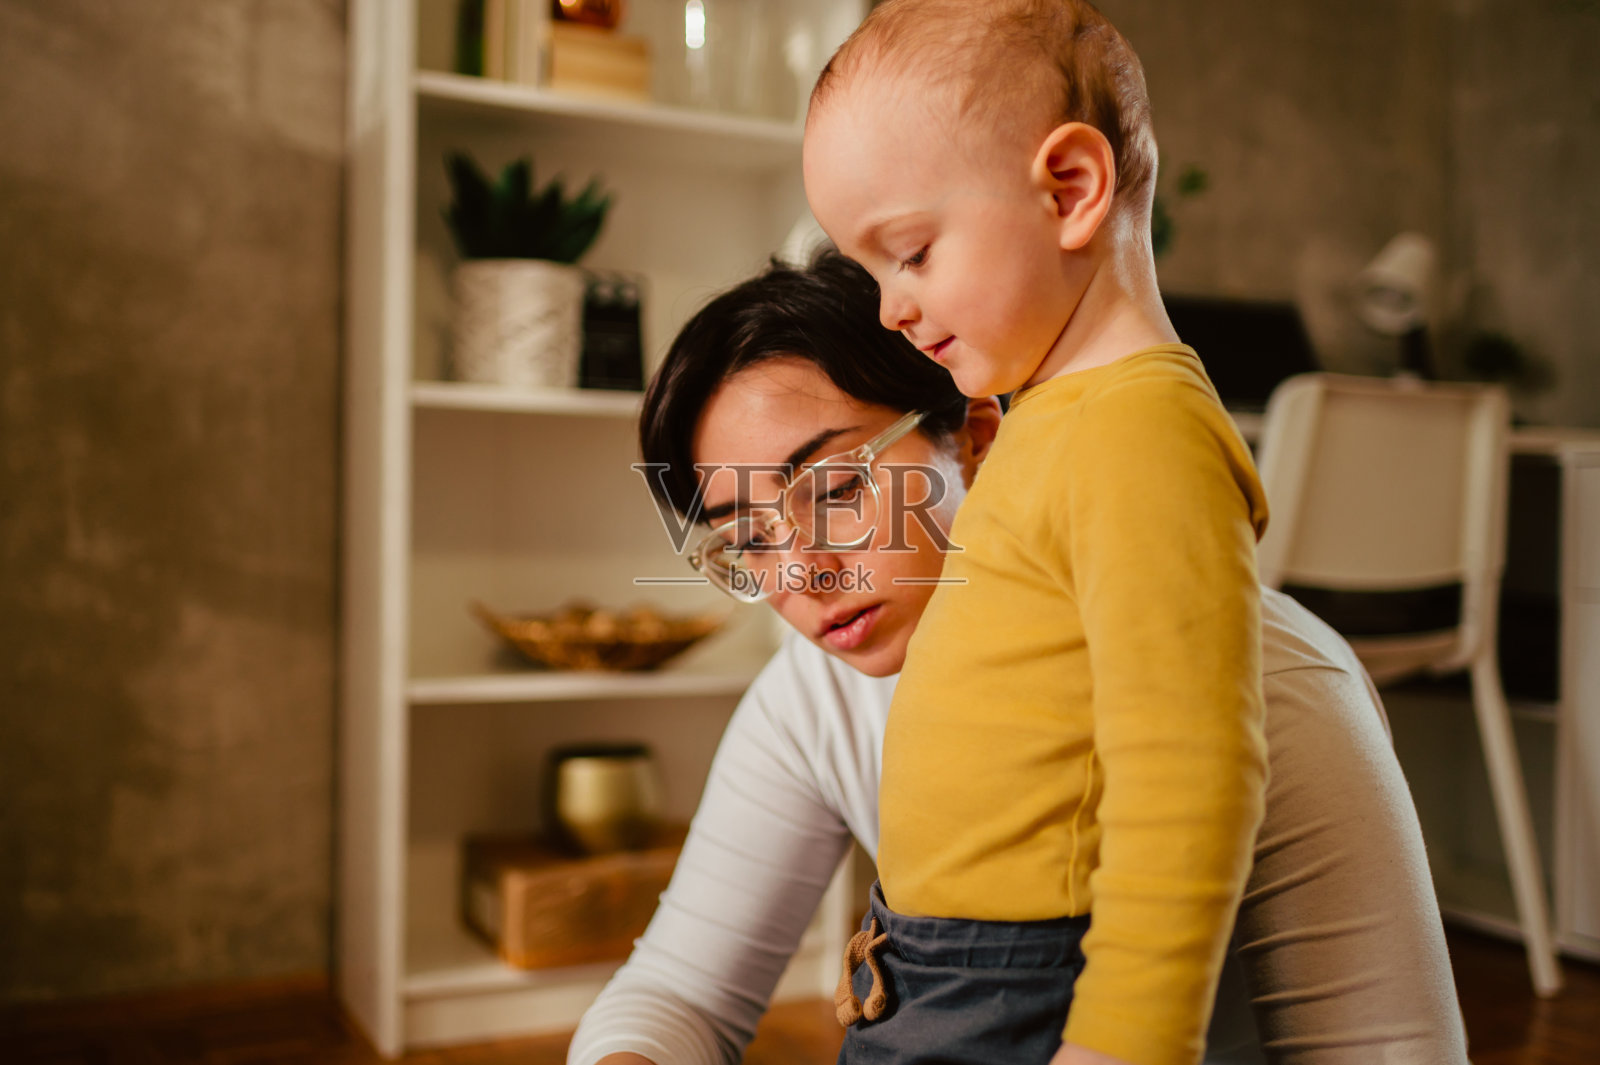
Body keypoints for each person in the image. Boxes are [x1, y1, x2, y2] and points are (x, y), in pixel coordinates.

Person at [566, 251, 1467, 1065]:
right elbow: (682, 992)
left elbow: (1390, 1047)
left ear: (977, 439)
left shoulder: (1277, 682)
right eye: (748, 543)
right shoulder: (814, 696)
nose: (802, 571)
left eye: (836, 488)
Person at [799, 3, 1294, 1062]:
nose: (891, 308)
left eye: (913, 253)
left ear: (1070, 190)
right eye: (872, 270)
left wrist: (1127, 1037)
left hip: (1024, 985)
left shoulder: (1139, 432)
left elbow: (1191, 770)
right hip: (938, 964)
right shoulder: (1048, 420)